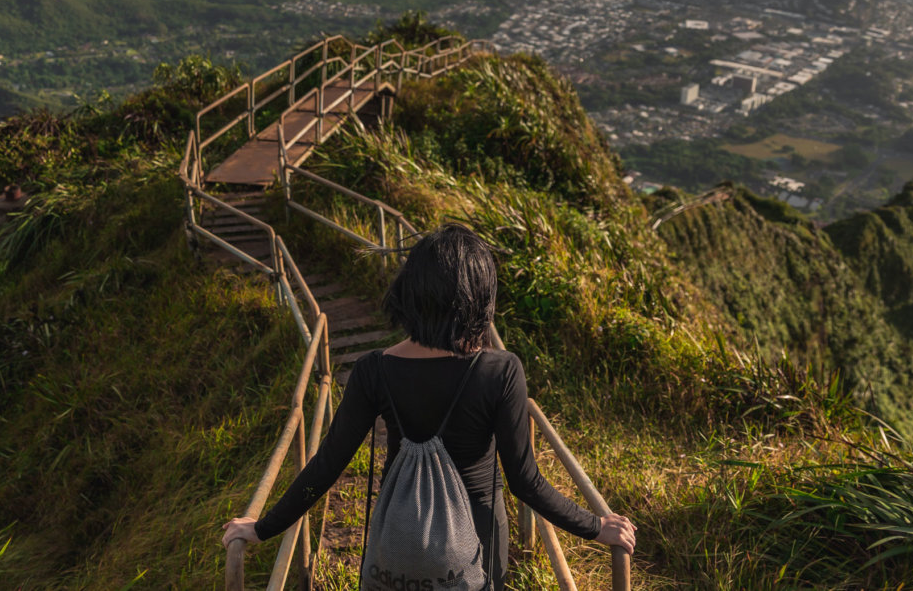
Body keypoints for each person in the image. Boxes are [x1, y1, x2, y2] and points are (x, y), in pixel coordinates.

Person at [222, 223, 636, 588]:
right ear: (479, 298)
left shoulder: (372, 371)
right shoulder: (501, 371)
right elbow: (526, 482)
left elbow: (327, 464)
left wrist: (263, 528)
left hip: (400, 538)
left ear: (410, 292)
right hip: (478, 540)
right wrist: (597, 527)